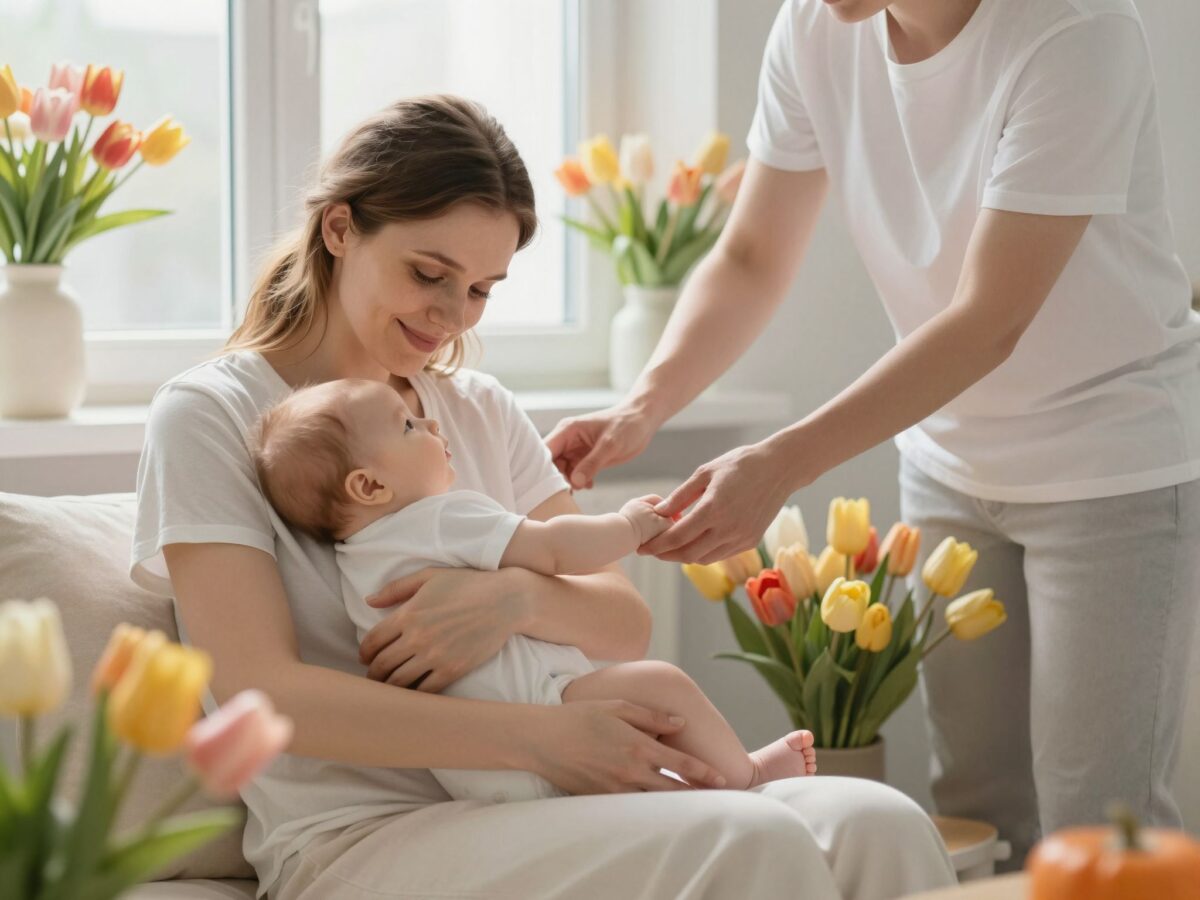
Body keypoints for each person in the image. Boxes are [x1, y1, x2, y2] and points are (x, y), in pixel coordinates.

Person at [131, 94, 955, 900]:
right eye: (429, 273)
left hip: (544, 802)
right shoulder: (212, 415)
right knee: (754, 838)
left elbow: (623, 620)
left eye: (482, 289)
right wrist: (543, 739)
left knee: (878, 820)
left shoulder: (478, 409)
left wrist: (512, 599)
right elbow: (259, 695)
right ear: (340, 228)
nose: (452, 316)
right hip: (361, 833)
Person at [546, 0, 1200, 872]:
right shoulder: (818, 27)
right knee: (976, 809)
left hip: (1110, 466)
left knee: (1101, 828)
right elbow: (750, 258)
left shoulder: (1076, 31)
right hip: (948, 460)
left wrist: (780, 462)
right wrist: (643, 406)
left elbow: (988, 320)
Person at [249, 377, 819, 805]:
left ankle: (695, 786)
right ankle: (747, 777)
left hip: (476, 773)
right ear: (370, 484)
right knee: (660, 684)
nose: (433, 427)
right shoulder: (439, 520)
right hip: (543, 720)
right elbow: (551, 548)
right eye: (408, 427)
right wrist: (629, 525)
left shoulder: (358, 562)